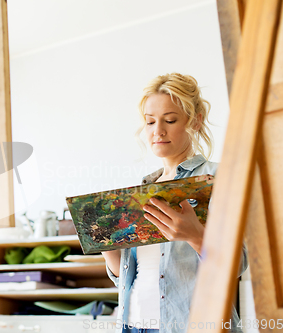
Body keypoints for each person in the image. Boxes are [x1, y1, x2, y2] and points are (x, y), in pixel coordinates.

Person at [102, 73, 248, 333]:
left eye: (170, 120)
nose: (158, 130)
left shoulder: (219, 178)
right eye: (150, 121)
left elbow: (239, 265)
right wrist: (106, 245)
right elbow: (126, 276)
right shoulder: (141, 191)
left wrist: (195, 236)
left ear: (195, 121)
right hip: (133, 325)